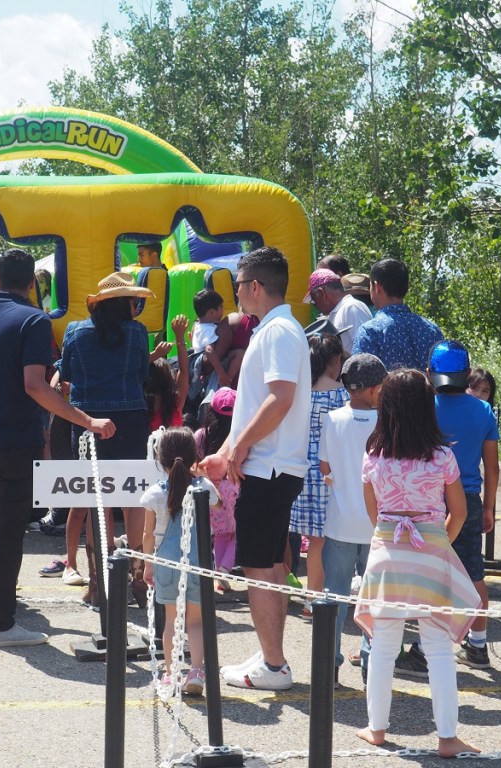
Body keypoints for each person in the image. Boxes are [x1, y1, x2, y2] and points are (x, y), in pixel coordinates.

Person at [0, 248, 115, 648]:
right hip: (17, 437)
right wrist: (87, 420)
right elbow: (34, 385)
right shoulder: (34, 320)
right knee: (10, 531)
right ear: (31, 284)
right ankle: (3, 623)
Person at [354, 368, 481, 757]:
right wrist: (436, 542)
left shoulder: (374, 456)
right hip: (430, 553)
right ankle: (446, 737)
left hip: (387, 555)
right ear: (428, 407)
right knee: (439, 649)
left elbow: (373, 515)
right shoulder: (442, 456)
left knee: (384, 646)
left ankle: (376, 729)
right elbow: (458, 512)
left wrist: (398, 536)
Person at [201, 246, 311, 691]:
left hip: (269, 469)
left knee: (260, 568)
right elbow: (256, 406)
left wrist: (238, 448)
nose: (236, 296)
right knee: (264, 565)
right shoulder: (278, 328)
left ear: (256, 287)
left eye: (239, 286)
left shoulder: (279, 330)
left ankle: (274, 663)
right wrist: (227, 450)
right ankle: (271, 657)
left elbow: (279, 399)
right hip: (267, 466)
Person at [61, 271, 154, 608]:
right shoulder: (139, 333)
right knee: (133, 499)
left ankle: (99, 585)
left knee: (94, 501)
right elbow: (143, 374)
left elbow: (67, 374)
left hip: (86, 421)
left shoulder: (76, 331)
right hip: (131, 419)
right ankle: (138, 583)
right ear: (127, 302)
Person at [413, 340, 498, 673]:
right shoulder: (483, 410)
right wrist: (489, 507)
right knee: (473, 572)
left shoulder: (425, 408)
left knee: (429, 574)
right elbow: (491, 467)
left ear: (431, 373)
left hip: (430, 500)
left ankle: (423, 650)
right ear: (466, 373)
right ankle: (478, 645)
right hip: (470, 500)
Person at [318, 353, 387, 685]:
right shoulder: (387, 422)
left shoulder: (332, 419)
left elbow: (324, 467)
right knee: (375, 598)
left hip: (340, 523)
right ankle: (371, 662)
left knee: (335, 596)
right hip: (379, 525)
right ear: (377, 388)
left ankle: (328, 664)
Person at [141, 427, 220, 699]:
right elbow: (219, 506)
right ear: (194, 456)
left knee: (171, 622)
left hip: (166, 564)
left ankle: (172, 673)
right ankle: (196, 671)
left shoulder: (154, 494)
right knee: (195, 622)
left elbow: (147, 535)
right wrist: (202, 475)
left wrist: (147, 565)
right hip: (198, 563)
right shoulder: (204, 489)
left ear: (160, 459)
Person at [289, 333, 348, 608]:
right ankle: (328, 598)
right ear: (335, 361)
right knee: (333, 540)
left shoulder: (300, 393)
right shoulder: (343, 395)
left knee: (314, 540)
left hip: (304, 469)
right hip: (332, 470)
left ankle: (311, 598)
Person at [351, 259, 443, 371]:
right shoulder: (432, 329)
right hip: (427, 388)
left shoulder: (370, 332)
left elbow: (360, 378)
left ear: (377, 286)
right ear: (407, 287)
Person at [194, 388, 239, 590]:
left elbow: (194, 462)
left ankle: (218, 573)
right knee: (238, 534)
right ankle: (225, 568)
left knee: (220, 534)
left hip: (211, 491)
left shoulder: (202, 435)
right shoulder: (238, 436)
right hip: (235, 488)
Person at [303, 267, 372, 354]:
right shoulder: (337, 312)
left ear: (321, 293)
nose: (315, 305)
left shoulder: (351, 307)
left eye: (313, 300)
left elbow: (366, 351)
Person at [191, 289, 234, 389]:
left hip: (198, 363)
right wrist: (221, 373)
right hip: (207, 363)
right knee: (237, 355)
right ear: (211, 312)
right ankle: (226, 382)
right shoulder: (209, 330)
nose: (223, 311)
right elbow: (209, 350)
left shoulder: (198, 325)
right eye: (221, 308)